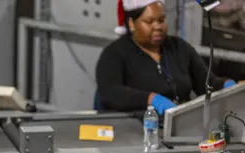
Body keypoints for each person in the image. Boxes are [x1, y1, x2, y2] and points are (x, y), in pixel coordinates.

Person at [96, 0, 239, 115]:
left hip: (179, 127)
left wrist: (227, 86)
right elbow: (111, 92)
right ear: (132, 24)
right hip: (134, 129)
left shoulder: (179, 48)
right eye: (149, 21)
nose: (158, 26)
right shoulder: (115, 54)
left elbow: (207, 83)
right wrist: (150, 99)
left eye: (161, 19)